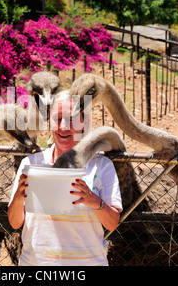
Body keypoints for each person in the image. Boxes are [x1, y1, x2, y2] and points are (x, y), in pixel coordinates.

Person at [8, 90, 122, 266]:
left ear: (84, 122)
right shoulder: (31, 164)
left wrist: (93, 201)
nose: (63, 127)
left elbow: (112, 223)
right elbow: (15, 223)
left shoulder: (102, 166)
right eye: (57, 119)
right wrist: (17, 199)